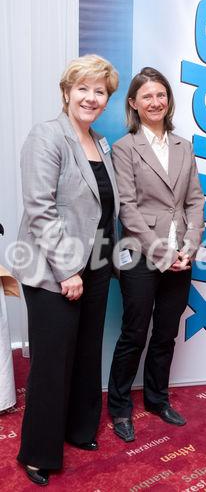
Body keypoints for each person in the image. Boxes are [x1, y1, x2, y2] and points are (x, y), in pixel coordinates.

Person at [12, 54, 120, 485]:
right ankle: (38, 452)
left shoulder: (100, 142)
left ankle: (79, 429)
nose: (91, 98)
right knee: (53, 360)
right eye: (84, 89)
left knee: (86, 352)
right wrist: (66, 271)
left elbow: (102, 206)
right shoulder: (47, 137)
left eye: (100, 91)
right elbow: (40, 210)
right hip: (56, 268)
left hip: (94, 265)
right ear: (66, 92)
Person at [108, 67, 204, 442]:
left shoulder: (184, 146)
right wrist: (164, 252)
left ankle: (156, 398)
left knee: (166, 332)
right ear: (133, 103)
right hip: (141, 255)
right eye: (146, 96)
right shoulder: (123, 148)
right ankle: (119, 407)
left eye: (160, 95)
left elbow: (195, 201)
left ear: (169, 100)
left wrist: (189, 247)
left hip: (181, 254)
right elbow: (127, 209)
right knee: (134, 332)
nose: (155, 102)